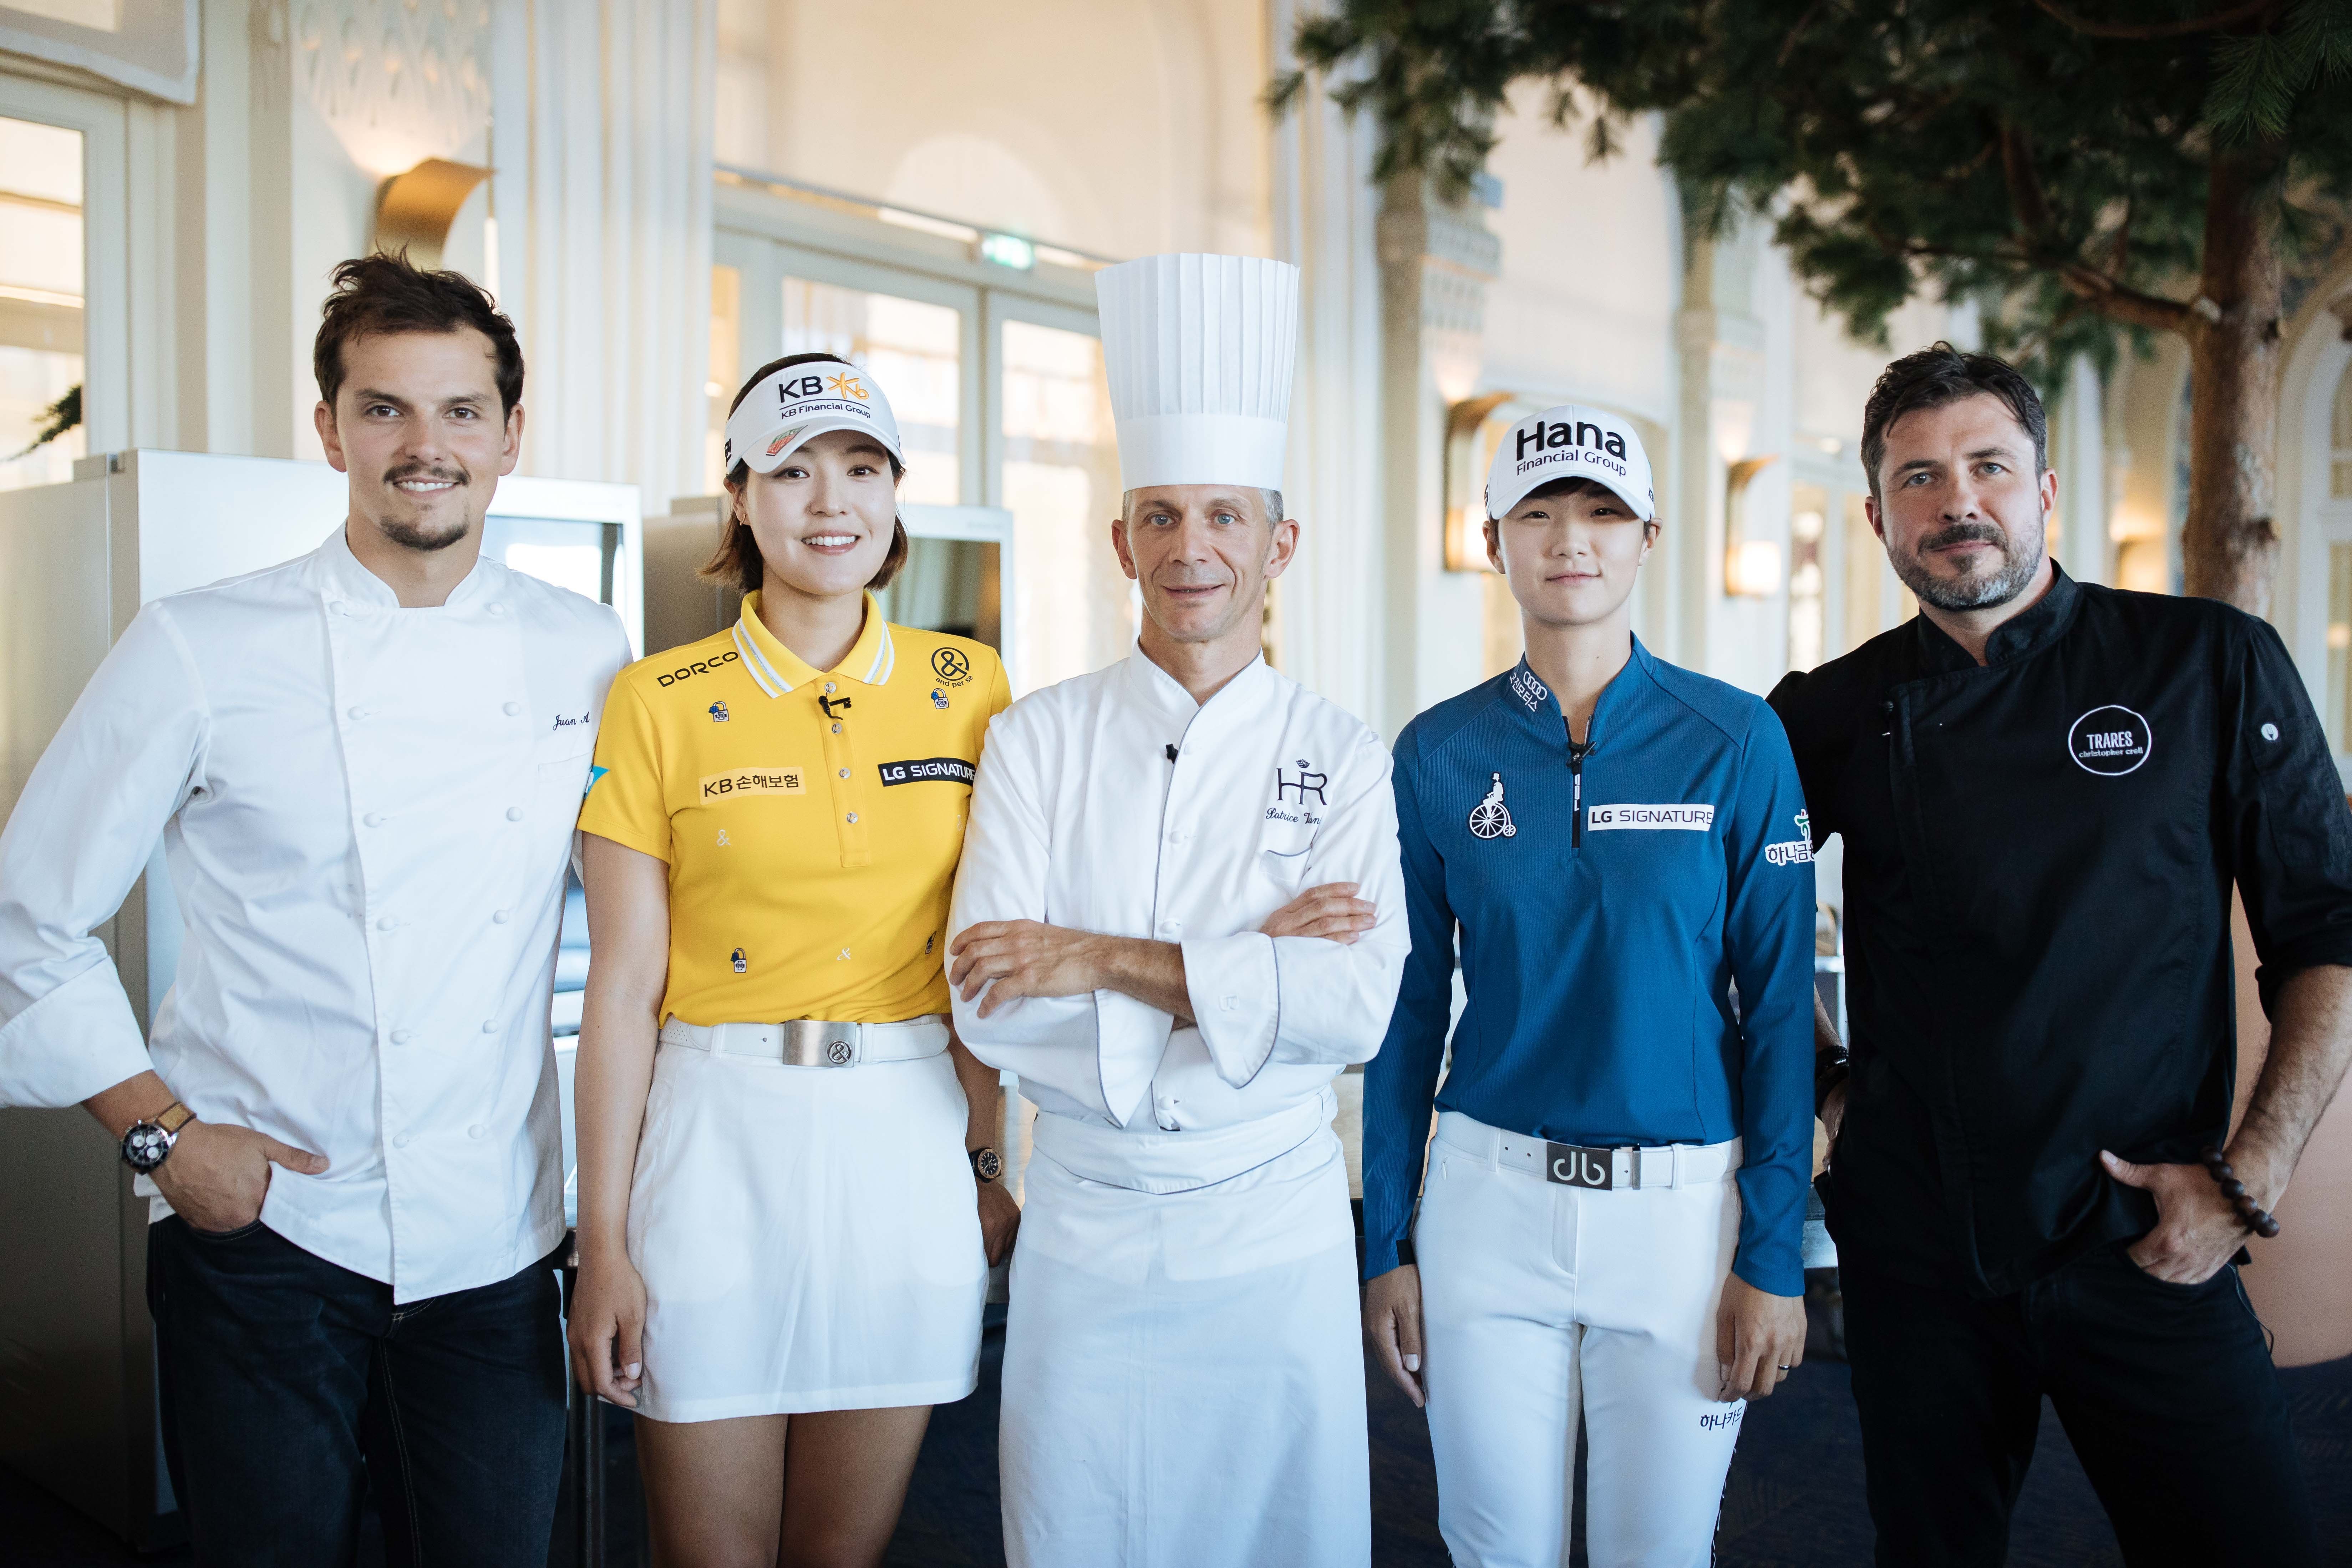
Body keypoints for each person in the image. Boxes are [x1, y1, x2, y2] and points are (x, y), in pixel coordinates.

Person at [0, 254, 628, 1565]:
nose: (424, 446)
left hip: (497, 1237)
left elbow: (643, 924)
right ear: (329, 426)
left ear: (512, 435)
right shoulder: (201, 642)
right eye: (385, 408)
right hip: (267, 1235)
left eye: (461, 411)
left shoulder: (587, 651)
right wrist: (163, 1139)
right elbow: (25, 917)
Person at [1768, 344, 2352, 1567]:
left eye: (1987, 465)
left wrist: (2245, 1180)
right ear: (1876, 516)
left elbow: (2325, 932)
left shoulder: (2204, 660)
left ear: (2043, 492)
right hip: (1917, 1255)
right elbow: (1713, 930)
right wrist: (1828, 1084)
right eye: (1917, 478)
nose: (1955, 502)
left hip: (2143, 1235)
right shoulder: (1823, 712)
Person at [944, 252, 1406, 1568]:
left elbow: (1355, 1006)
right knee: (1077, 1525)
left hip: (1271, 1223)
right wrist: (1248, 965)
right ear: (1120, 542)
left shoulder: (1343, 750)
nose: (1189, 547)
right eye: (1158, 515)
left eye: (1221, 515)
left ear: (1280, 543)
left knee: (1281, 1535)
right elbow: (990, 992)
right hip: (1085, 1223)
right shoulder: (1036, 738)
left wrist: (1093, 953)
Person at [565, 352, 1018, 1568]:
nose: (833, 502)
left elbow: (980, 958)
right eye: (794, 469)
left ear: (896, 494)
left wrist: (988, 1159)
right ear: (740, 498)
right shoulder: (656, 699)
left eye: (862, 469)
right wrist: (600, 1238)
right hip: (717, 1145)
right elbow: (621, 991)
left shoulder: (968, 687)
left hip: (905, 1141)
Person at [1360, 405, 1816, 1567]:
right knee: (1491, 1551)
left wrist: (1772, 1250)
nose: (1572, 537)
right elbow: (1406, 1014)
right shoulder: (1433, 751)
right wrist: (1384, 1241)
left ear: (1650, 534)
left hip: (1678, 1218)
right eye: (1541, 511)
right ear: (1492, 540)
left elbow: (1776, 1015)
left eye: (1603, 511)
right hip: (1484, 1207)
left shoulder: (1737, 737)